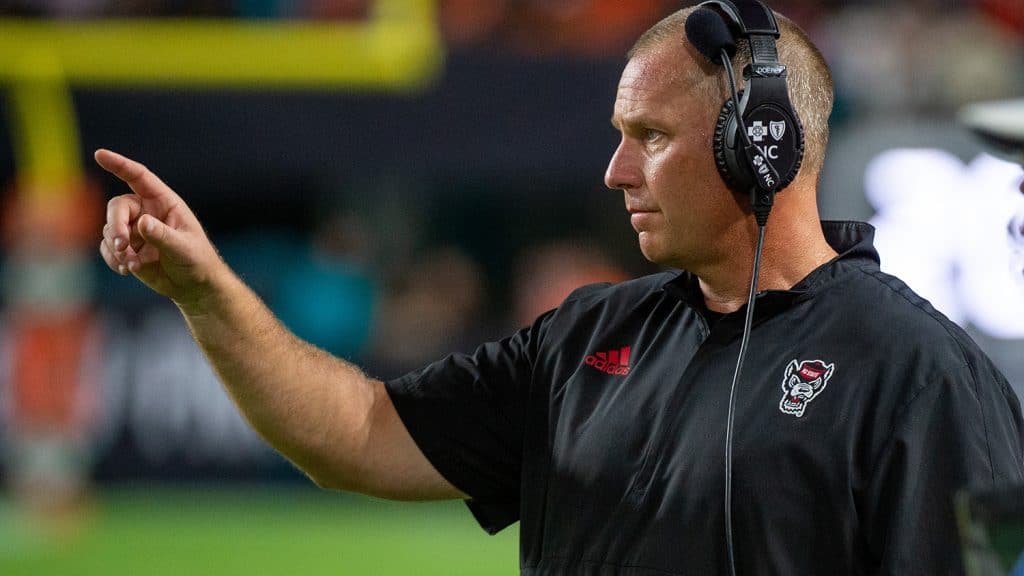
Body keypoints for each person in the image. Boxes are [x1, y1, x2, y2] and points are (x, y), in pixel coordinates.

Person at [97, 3, 1024, 575]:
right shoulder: (587, 339)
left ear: (760, 147)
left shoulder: (918, 374)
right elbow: (361, 436)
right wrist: (208, 294)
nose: (615, 171)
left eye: (650, 136)